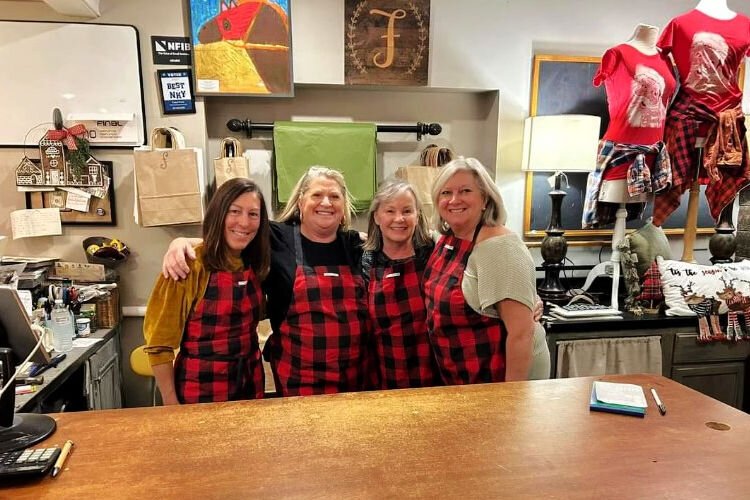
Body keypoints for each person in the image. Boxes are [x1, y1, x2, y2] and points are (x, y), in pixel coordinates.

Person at [163, 166, 370, 397]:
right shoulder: (276, 237)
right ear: (301, 202)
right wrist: (181, 242)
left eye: (334, 197)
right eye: (317, 195)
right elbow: (233, 236)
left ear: (344, 207)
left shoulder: (356, 246)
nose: (326, 203)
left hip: (355, 378)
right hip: (298, 379)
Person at [143, 177, 271, 404]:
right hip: (200, 389)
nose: (244, 222)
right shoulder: (188, 264)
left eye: (253, 214)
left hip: (250, 384)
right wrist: (171, 403)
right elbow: (159, 345)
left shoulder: (256, 262)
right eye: (234, 211)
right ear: (218, 213)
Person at [424, 157, 549, 383]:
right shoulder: (448, 239)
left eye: (465, 191)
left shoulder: (500, 248)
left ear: (485, 199)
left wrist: (511, 400)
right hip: (462, 375)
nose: (454, 200)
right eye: (445, 193)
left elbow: (521, 334)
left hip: (498, 380)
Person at [653, 0, 750, 227]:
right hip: (686, 118)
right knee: (673, 183)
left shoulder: (745, 25)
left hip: (728, 122)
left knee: (727, 191)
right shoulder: (679, 25)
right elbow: (664, 73)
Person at [361, 179, 441, 389]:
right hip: (384, 374)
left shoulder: (434, 252)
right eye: (390, 211)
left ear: (417, 216)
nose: (399, 219)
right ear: (377, 216)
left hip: (434, 374)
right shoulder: (364, 261)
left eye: (407, 211)